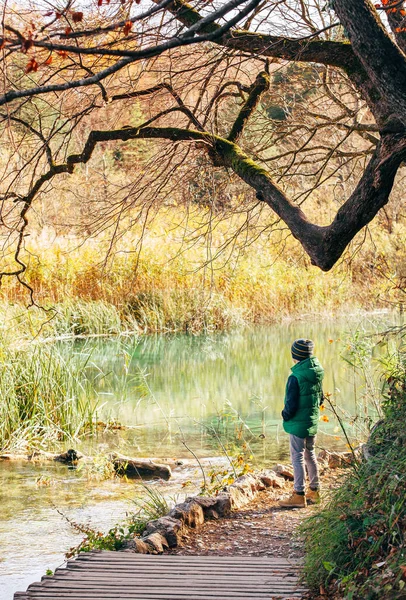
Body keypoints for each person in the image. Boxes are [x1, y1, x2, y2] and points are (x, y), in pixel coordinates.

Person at [279, 338, 324, 508]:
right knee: (310, 454)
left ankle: (298, 494)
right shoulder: (317, 373)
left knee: (297, 456)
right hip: (312, 422)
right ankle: (314, 490)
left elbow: (291, 405)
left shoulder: (295, 377)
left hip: (298, 423)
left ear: (295, 357)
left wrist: (285, 415)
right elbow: (321, 398)